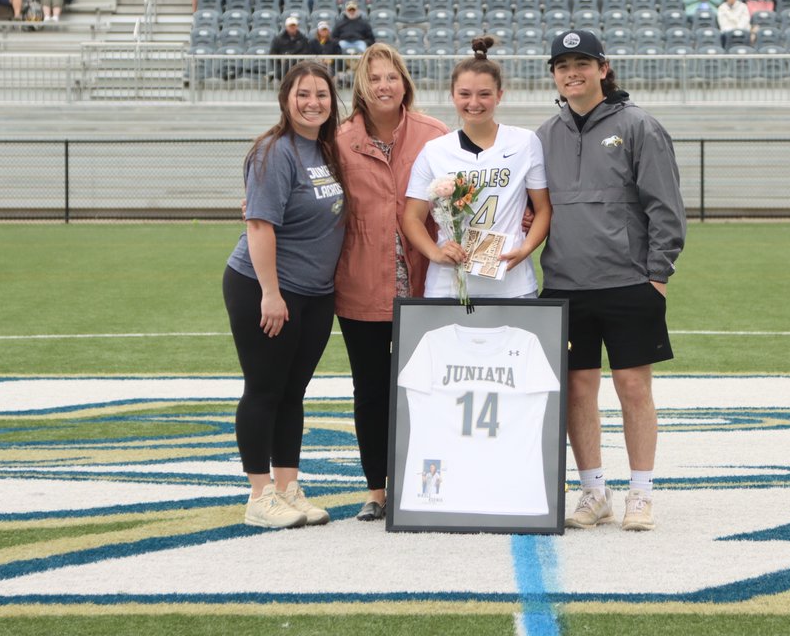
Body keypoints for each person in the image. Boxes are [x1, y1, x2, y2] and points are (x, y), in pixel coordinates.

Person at [536, 29, 686, 532]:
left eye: (582, 63)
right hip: (564, 284)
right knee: (578, 391)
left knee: (633, 387)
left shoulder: (639, 125)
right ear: (554, 75)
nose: (571, 73)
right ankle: (593, 491)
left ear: (603, 68)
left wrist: (657, 277)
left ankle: (640, 493)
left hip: (628, 282)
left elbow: (665, 208)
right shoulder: (544, 135)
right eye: (562, 65)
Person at [224, 61, 346, 530]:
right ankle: (259, 494)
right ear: (285, 99)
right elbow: (259, 225)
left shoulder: (325, 151)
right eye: (302, 94)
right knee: (264, 389)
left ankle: (287, 485)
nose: (312, 101)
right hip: (266, 287)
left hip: (316, 292)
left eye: (321, 93)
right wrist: (271, 294)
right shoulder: (274, 152)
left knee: (293, 392)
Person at [333, 44, 448, 521]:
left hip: (426, 287)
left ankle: (429, 482)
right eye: (373, 78)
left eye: (391, 77)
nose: (383, 86)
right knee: (371, 390)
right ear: (361, 86)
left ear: (405, 83)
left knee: (425, 389)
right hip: (361, 284)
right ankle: (376, 489)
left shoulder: (434, 134)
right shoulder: (338, 140)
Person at [401, 36, 552, 300]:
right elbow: (412, 217)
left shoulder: (525, 142)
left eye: (484, 94)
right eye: (465, 94)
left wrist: (526, 248)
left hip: (511, 282)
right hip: (447, 284)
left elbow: (542, 209)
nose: (474, 103)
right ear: (452, 96)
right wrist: (436, 253)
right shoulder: (435, 150)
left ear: (499, 95)